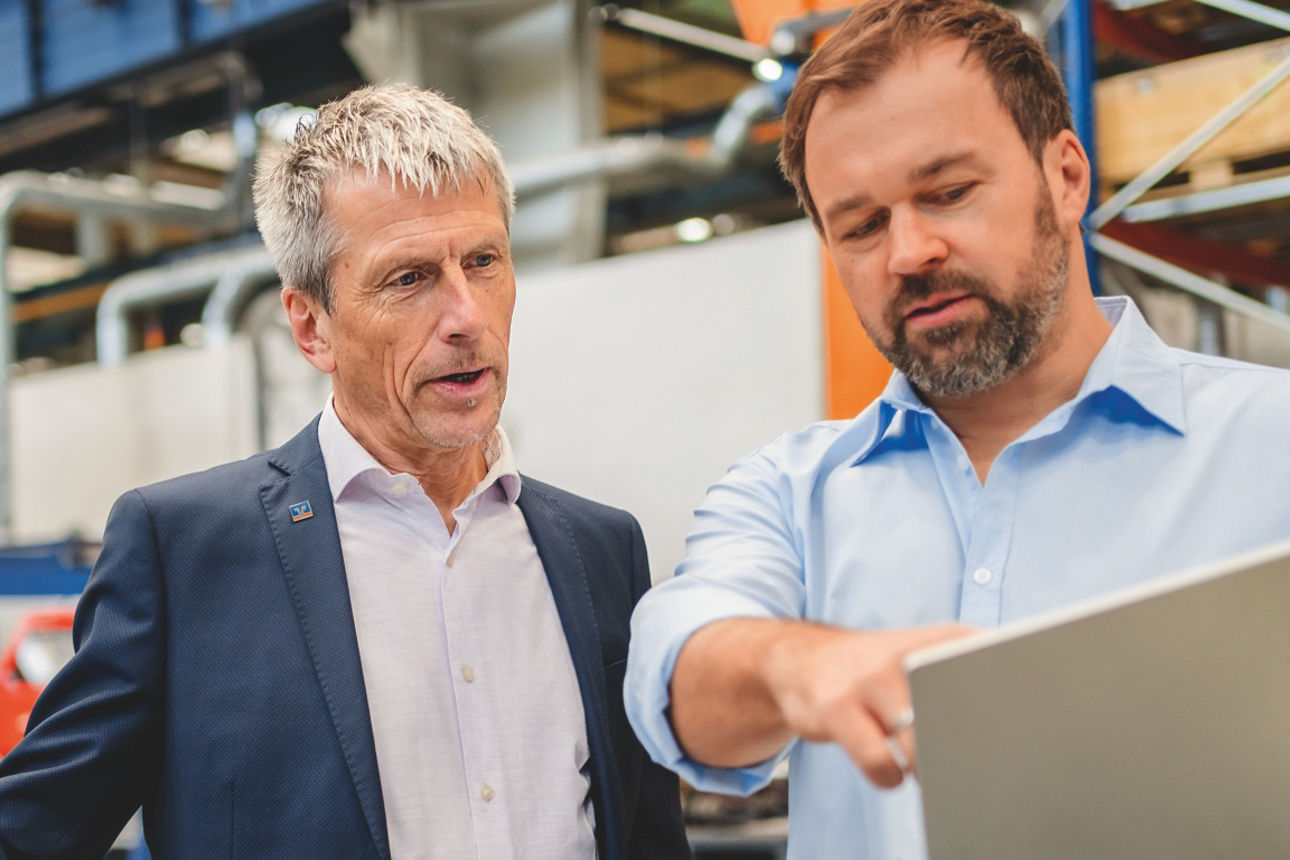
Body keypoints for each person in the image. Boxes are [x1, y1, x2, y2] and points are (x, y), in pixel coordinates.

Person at [623, 1, 1290, 858]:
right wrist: (798, 668)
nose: (909, 252)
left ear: (1066, 176)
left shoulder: (1270, 448)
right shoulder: (790, 494)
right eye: (862, 225)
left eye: (949, 191)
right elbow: (681, 671)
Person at [0, 83, 689, 860]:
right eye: (410, 278)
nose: (467, 316)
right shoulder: (185, 551)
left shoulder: (601, 551)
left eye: (484, 260)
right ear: (312, 326)